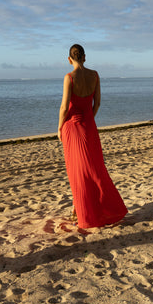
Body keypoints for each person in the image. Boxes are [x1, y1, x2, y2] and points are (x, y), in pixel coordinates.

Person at [58, 44, 127, 229]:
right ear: (85, 57)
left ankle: (82, 212)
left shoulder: (69, 77)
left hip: (72, 128)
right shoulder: (95, 75)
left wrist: (59, 127)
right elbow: (97, 104)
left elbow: (65, 107)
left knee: (77, 171)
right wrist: (89, 119)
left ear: (69, 59)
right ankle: (83, 209)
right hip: (89, 127)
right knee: (95, 169)